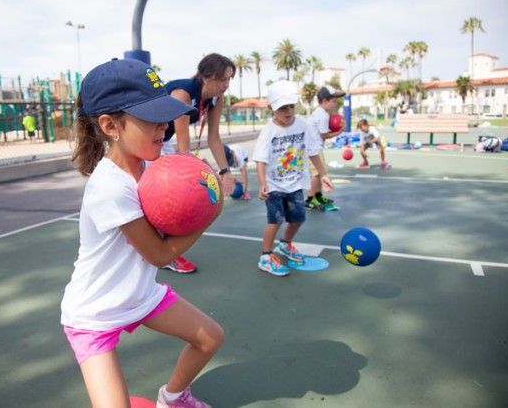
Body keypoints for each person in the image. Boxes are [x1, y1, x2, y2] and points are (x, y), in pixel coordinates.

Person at [61, 58, 224, 407]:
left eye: (164, 116)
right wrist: (209, 212)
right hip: (94, 314)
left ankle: (173, 396)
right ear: (110, 125)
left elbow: (171, 215)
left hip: (138, 295)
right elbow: (160, 254)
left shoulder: (153, 167)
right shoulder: (109, 187)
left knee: (210, 338)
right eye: (150, 119)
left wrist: (197, 185)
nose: (162, 127)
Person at [162, 53, 237, 273]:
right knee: (167, 193)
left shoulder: (216, 99)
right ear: (206, 77)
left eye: (229, 79)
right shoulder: (182, 94)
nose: (226, 85)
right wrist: (199, 167)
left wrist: (225, 171)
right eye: (223, 79)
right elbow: (184, 150)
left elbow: (213, 138)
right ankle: (162, 253)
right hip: (144, 139)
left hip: (161, 140)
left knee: (173, 194)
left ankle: (166, 252)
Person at [252, 80, 334, 276]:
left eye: (291, 106)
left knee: (298, 219)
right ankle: (265, 256)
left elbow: (314, 151)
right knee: (275, 220)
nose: (288, 112)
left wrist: (323, 175)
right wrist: (263, 184)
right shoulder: (269, 130)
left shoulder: (302, 125)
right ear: (271, 108)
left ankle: (286, 244)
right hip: (274, 185)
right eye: (282, 108)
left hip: (296, 183)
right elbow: (260, 160)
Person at [305, 86, 345, 211]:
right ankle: (310, 200)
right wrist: (339, 132)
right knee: (317, 174)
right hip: (313, 149)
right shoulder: (322, 116)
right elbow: (324, 135)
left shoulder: (321, 112)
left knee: (320, 173)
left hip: (315, 147)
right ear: (324, 101)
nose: (335, 104)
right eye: (333, 101)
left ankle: (318, 196)